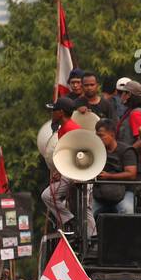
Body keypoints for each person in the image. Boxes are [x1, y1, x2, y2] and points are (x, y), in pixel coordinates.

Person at [41, 96, 83, 227]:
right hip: (70, 170)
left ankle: (71, 222)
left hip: (78, 170)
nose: (52, 113)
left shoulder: (71, 128)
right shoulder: (64, 127)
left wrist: (62, 172)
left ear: (61, 112)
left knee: (48, 196)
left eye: (54, 110)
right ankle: (73, 223)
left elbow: (77, 153)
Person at [92, 121, 138, 221]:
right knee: (87, 213)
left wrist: (109, 176)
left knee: (127, 211)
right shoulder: (96, 150)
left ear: (112, 134)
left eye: (101, 135)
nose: (98, 139)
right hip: (101, 193)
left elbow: (131, 174)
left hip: (125, 192)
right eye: (97, 136)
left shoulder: (126, 151)